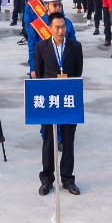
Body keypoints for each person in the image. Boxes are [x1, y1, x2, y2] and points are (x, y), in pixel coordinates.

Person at [33, 12, 82, 196]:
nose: (61, 31)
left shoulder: (75, 47)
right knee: (49, 140)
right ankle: (47, 179)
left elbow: (78, 72)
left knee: (68, 140)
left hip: (68, 99)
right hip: (50, 100)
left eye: (63, 27)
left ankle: (68, 179)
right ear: (50, 28)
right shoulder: (41, 47)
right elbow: (40, 74)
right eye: (57, 27)